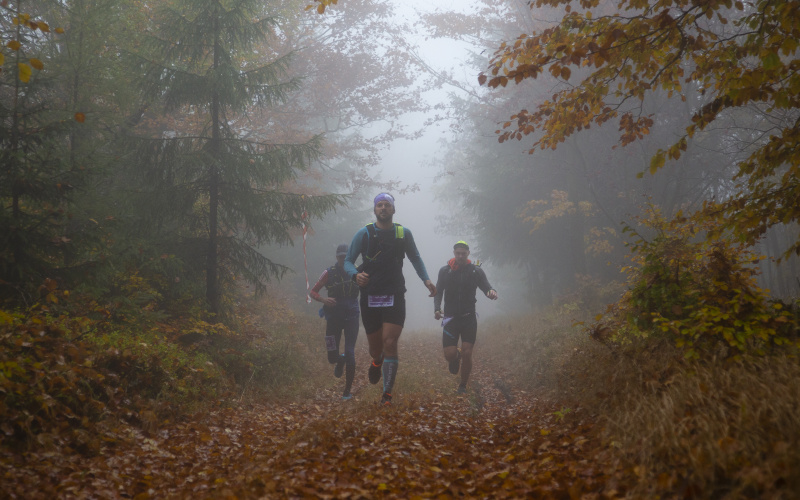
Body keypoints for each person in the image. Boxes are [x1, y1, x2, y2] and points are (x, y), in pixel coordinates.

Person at [344, 193, 436, 406]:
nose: (383, 208)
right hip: (370, 296)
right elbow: (348, 261)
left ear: (394, 210)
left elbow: (415, 258)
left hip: (394, 294)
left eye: (387, 205)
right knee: (376, 349)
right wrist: (354, 275)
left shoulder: (403, 234)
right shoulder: (364, 234)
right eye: (379, 205)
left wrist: (427, 280)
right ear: (374, 210)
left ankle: (387, 395)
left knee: (390, 341)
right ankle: (377, 361)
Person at [434, 240, 497, 394]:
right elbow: (438, 291)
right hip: (450, 318)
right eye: (458, 253)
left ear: (468, 253)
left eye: (463, 253)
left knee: (468, 352)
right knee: (449, 354)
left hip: (469, 318)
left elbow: (486, 287)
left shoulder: (475, 271)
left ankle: (462, 385)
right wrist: (437, 308)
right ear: (454, 253)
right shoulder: (445, 271)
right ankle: (455, 358)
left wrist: (491, 292)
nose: (461, 256)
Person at [309, 243, 360, 400]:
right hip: (333, 317)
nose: (343, 259)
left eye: (345, 256)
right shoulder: (328, 273)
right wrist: (324, 299)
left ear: (349, 257)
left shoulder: (358, 272)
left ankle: (347, 392)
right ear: (336, 257)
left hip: (352, 315)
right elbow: (312, 292)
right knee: (332, 357)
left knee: (351, 352)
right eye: (340, 257)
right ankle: (340, 359)